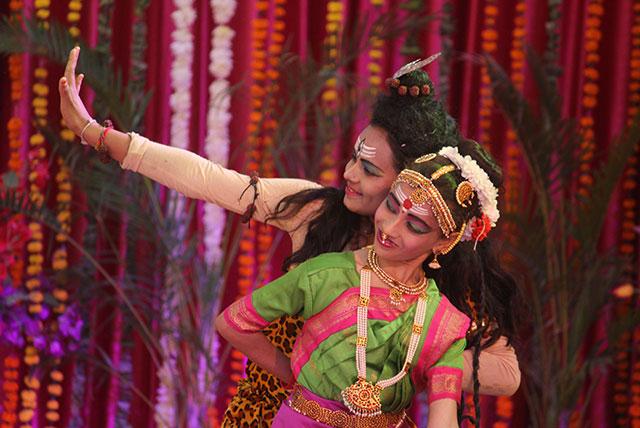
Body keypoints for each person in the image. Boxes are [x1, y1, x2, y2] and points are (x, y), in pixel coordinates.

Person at [58, 48, 520, 426]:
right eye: (354, 158)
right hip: (271, 412)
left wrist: (395, 370)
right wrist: (96, 134)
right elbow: (209, 178)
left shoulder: (442, 278)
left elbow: (506, 374)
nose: (349, 174)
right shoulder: (317, 211)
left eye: (370, 169)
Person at [216, 142, 506, 427]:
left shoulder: (442, 323)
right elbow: (233, 322)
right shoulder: (326, 274)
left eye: (415, 225)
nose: (390, 227)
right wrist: (296, 373)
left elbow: (444, 417)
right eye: (391, 206)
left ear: (444, 242)